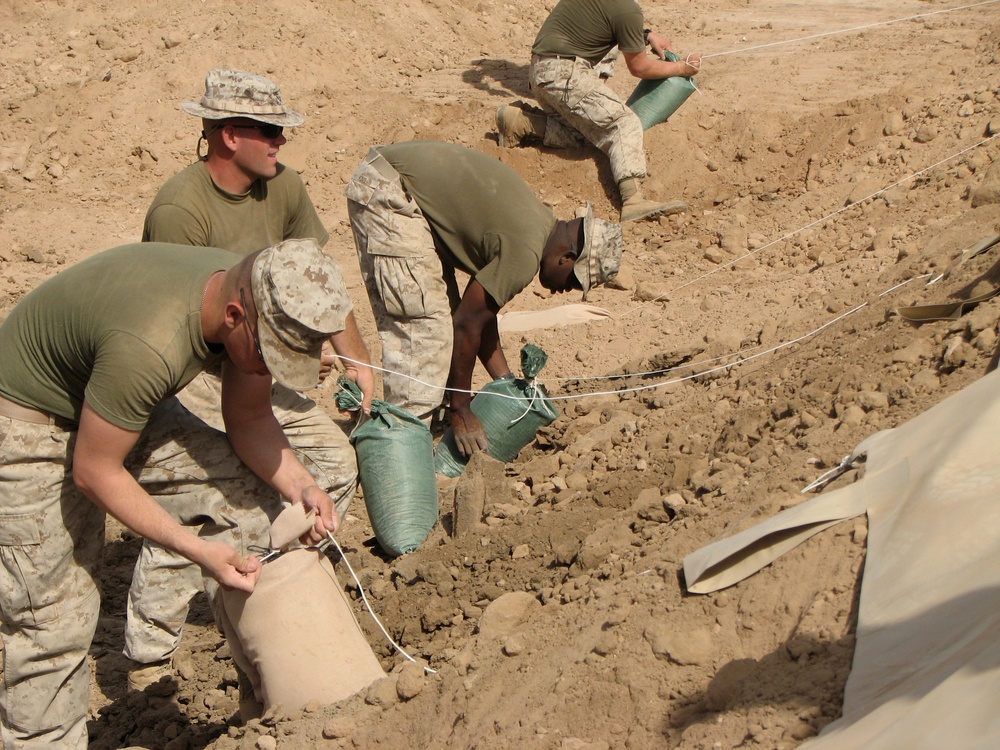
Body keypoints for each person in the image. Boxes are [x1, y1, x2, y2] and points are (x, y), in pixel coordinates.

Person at [0, 238, 351, 748]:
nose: (272, 371)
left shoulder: (241, 297)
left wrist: (303, 485)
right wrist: (194, 549)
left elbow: (249, 417)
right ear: (235, 316)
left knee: (246, 498)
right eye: (270, 356)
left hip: (106, 399)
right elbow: (95, 472)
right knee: (53, 620)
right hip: (27, 421)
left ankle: (272, 702)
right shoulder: (152, 342)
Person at [129, 68, 375, 690]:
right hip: (193, 369)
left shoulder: (282, 189)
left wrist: (356, 357)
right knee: (209, 494)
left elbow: (317, 280)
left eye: (282, 131)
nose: (280, 143)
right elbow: (182, 325)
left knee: (333, 468)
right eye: (269, 131)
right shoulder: (180, 212)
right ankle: (150, 644)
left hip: (253, 364)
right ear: (226, 136)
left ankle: (268, 594)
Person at [345, 140, 623, 456]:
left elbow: (480, 313)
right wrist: (461, 407)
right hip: (389, 191)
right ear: (569, 258)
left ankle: (416, 429)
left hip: (400, 186)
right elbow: (467, 324)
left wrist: (506, 384)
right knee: (425, 331)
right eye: (574, 282)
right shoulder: (525, 254)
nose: (566, 291)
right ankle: (400, 452)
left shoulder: (537, 223)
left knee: (443, 315)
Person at [494, 0, 702, 223]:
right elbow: (639, 67)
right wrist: (681, 68)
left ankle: (521, 122)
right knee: (623, 122)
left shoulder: (618, 8)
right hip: (566, 74)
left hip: (543, 71)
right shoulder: (628, 9)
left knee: (591, 134)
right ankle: (634, 200)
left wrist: (647, 35)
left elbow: (609, 20)